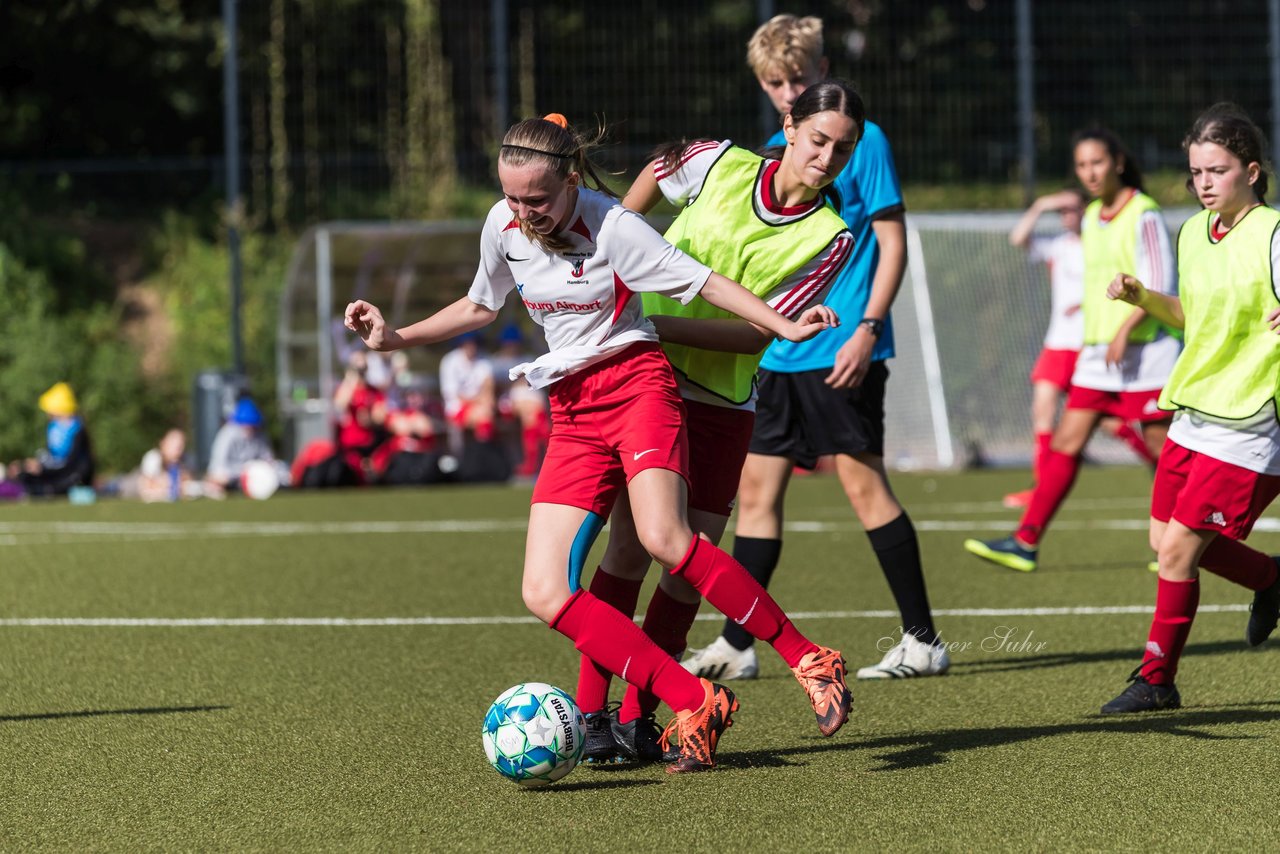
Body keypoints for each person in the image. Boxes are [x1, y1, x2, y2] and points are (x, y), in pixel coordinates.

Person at [344, 113, 851, 773]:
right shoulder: (503, 226)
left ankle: (807, 658)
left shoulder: (614, 227)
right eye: (513, 198)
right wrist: (396, 338)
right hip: (574, 410)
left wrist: (780, 327)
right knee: (545, 591)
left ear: (572, 181)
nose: (525, 212)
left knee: (665, 540)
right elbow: (478, 305)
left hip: (638, 388)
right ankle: (692, 697)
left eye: (539, 199)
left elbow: (704, 284)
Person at [575, 79, 860, 763]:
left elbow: (751, 337)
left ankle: (641, 720)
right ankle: (591, 716)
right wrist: (610, 252)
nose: (826, 157)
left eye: (842, 149)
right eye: (817, 139)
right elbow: (642, 189)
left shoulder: (832, 238)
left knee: (682, 571)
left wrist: (650, 321)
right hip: (645, 383)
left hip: (721, 404)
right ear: (789, 126)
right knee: (627, 551)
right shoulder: (718, 162)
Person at [679, 14, 949, 686]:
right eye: (775, 81)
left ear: (822, 70)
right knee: (757, 489)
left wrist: (868, 327)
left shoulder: (861, 140)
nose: (787, 89)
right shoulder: (775, 147)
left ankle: (922, 641)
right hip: (778, 353)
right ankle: (738, 642)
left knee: (862, 485)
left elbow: (890, 239)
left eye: (799, 77)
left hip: (840, 344)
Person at [1098, 104, 1280, 713]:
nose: (1203, 182)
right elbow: (1195, 318)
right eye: (1196, 171)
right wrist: (1142, 296)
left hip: (1253, 421)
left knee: (1178, 551)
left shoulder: (1273, 234)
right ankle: (1272, 581)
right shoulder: (1192, 233)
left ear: (1252, 171)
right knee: (1164, 538)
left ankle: (1157, 680)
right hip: (1195, 409)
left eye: (1218, 170)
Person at [964, 128, 1179, 572]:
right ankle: (1025, 541)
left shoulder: (1144, 213)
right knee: (1065, 442)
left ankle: (1183, 545)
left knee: (1166, 452)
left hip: (1146, 356)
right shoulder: (1091, 215)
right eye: (1082, 166)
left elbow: (1161, 284)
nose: (1090, 173)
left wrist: (1125, 330)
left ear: (1118, 161)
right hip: (1099, 359)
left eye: (1097, 162)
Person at [1002, 188, 1159, 511]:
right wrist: (1041, 202)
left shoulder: (1099, 244)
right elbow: (1018, 239)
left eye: (1073, 209)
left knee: (1107, 422)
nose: (1067, 216)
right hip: (1057, 343)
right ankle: (1039, 488)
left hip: (1089, 345)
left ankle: (1156, 461)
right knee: (1042, 411)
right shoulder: (1058, 246)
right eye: (1062, 211)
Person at [9, 381, 96, 497]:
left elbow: (70, 465)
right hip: (57, 472)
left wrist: (43, 469)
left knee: (47, 488)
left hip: (72, 475)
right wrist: (34, 464)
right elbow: (52, 456)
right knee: (25, 476)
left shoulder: (77, 430)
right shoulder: (55, 428)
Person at [490, 323, 550, 476]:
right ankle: (536, 463)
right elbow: (495, 387)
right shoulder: (496, 362)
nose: (512, 346)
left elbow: (537, 381)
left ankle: (534, 463)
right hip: (508, 403)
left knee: (533, 416)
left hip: (530, 400)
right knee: (534, 416)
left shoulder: (527, 358)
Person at [204, 397, 282, 497]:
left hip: (254, 476)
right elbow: (217, 465)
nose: (249, 428)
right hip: (231, 475)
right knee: (217, 477)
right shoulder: (227, 434)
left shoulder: (260, 436)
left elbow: (268, 459)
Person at [438, 331, 498, 455]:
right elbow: (453, 394)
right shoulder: (450, 361)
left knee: (485, 414)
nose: (471, 346)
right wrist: (479, 401)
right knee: (483, 416)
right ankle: (474, 457)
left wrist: (486, 399)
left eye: (473, 343)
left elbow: (488, 384)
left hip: (479, 406)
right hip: (456, 407)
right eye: (467, 343)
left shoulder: (484, 359)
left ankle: (481, 456)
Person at [334, 349, 387, 482]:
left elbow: (380, 416)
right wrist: (351, 380)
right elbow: (340, 405)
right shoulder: (346, 388)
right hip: (350, 445)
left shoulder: (373, 391)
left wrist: (371, 420)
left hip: (370, 444)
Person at [137, 428, 194, 503]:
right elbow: (146, 486)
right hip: (129, 483)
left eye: (180, 446)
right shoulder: (153, 457)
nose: (178, 450)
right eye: (173, 445)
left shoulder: (185, 460)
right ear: (163, 444)